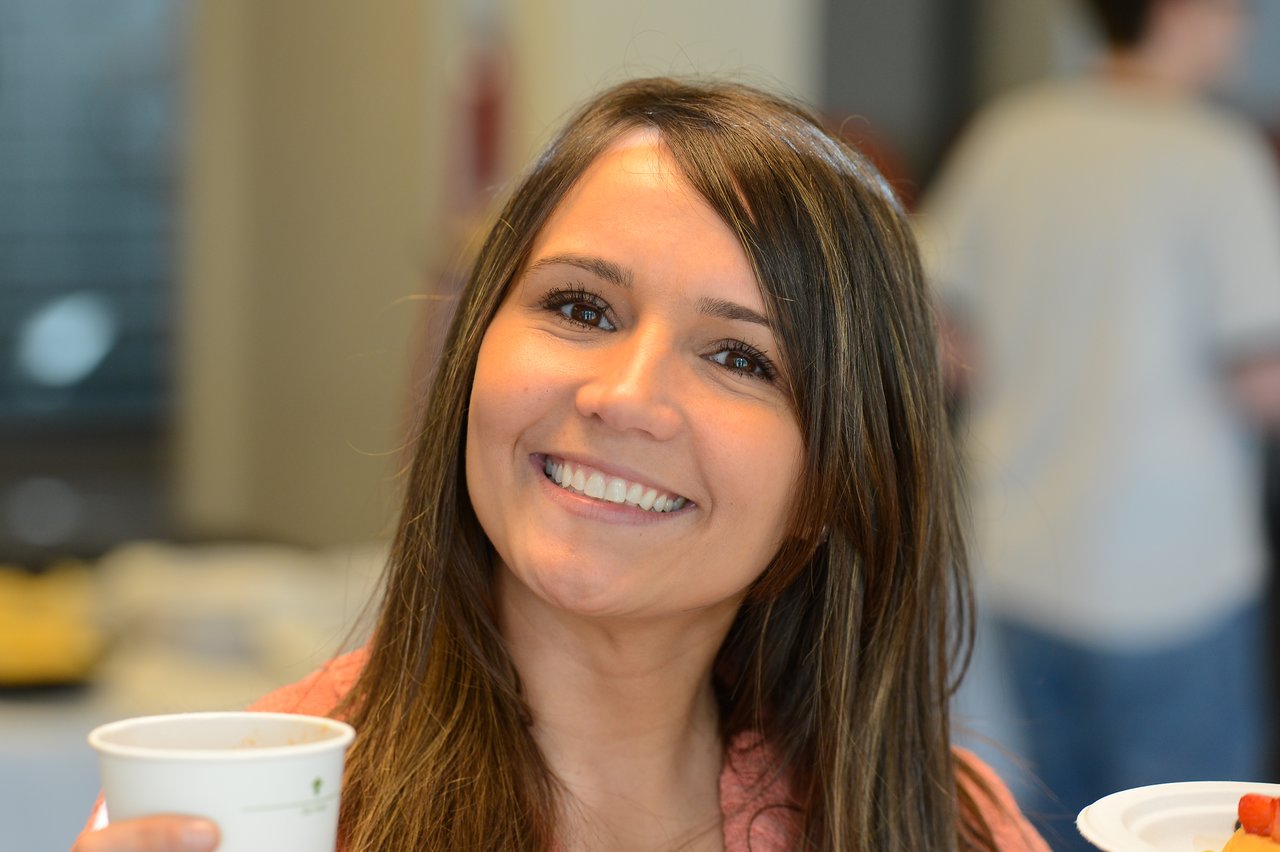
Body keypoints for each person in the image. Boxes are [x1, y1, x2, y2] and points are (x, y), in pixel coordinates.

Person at [75, 77, 1048, 851]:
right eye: (581, 308)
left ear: (829, 481)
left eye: (739, 358)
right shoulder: (261, 806)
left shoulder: (944, 826)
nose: (623, 396)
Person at [918, 0, 1280, 848]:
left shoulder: (1013, 136)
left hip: (1023, 560)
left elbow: (935, 338)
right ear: (1183, 11)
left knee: (1048, 822)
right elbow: (1265, 379)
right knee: (1195, 829)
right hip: (1170, 581)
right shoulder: (1216, 156)